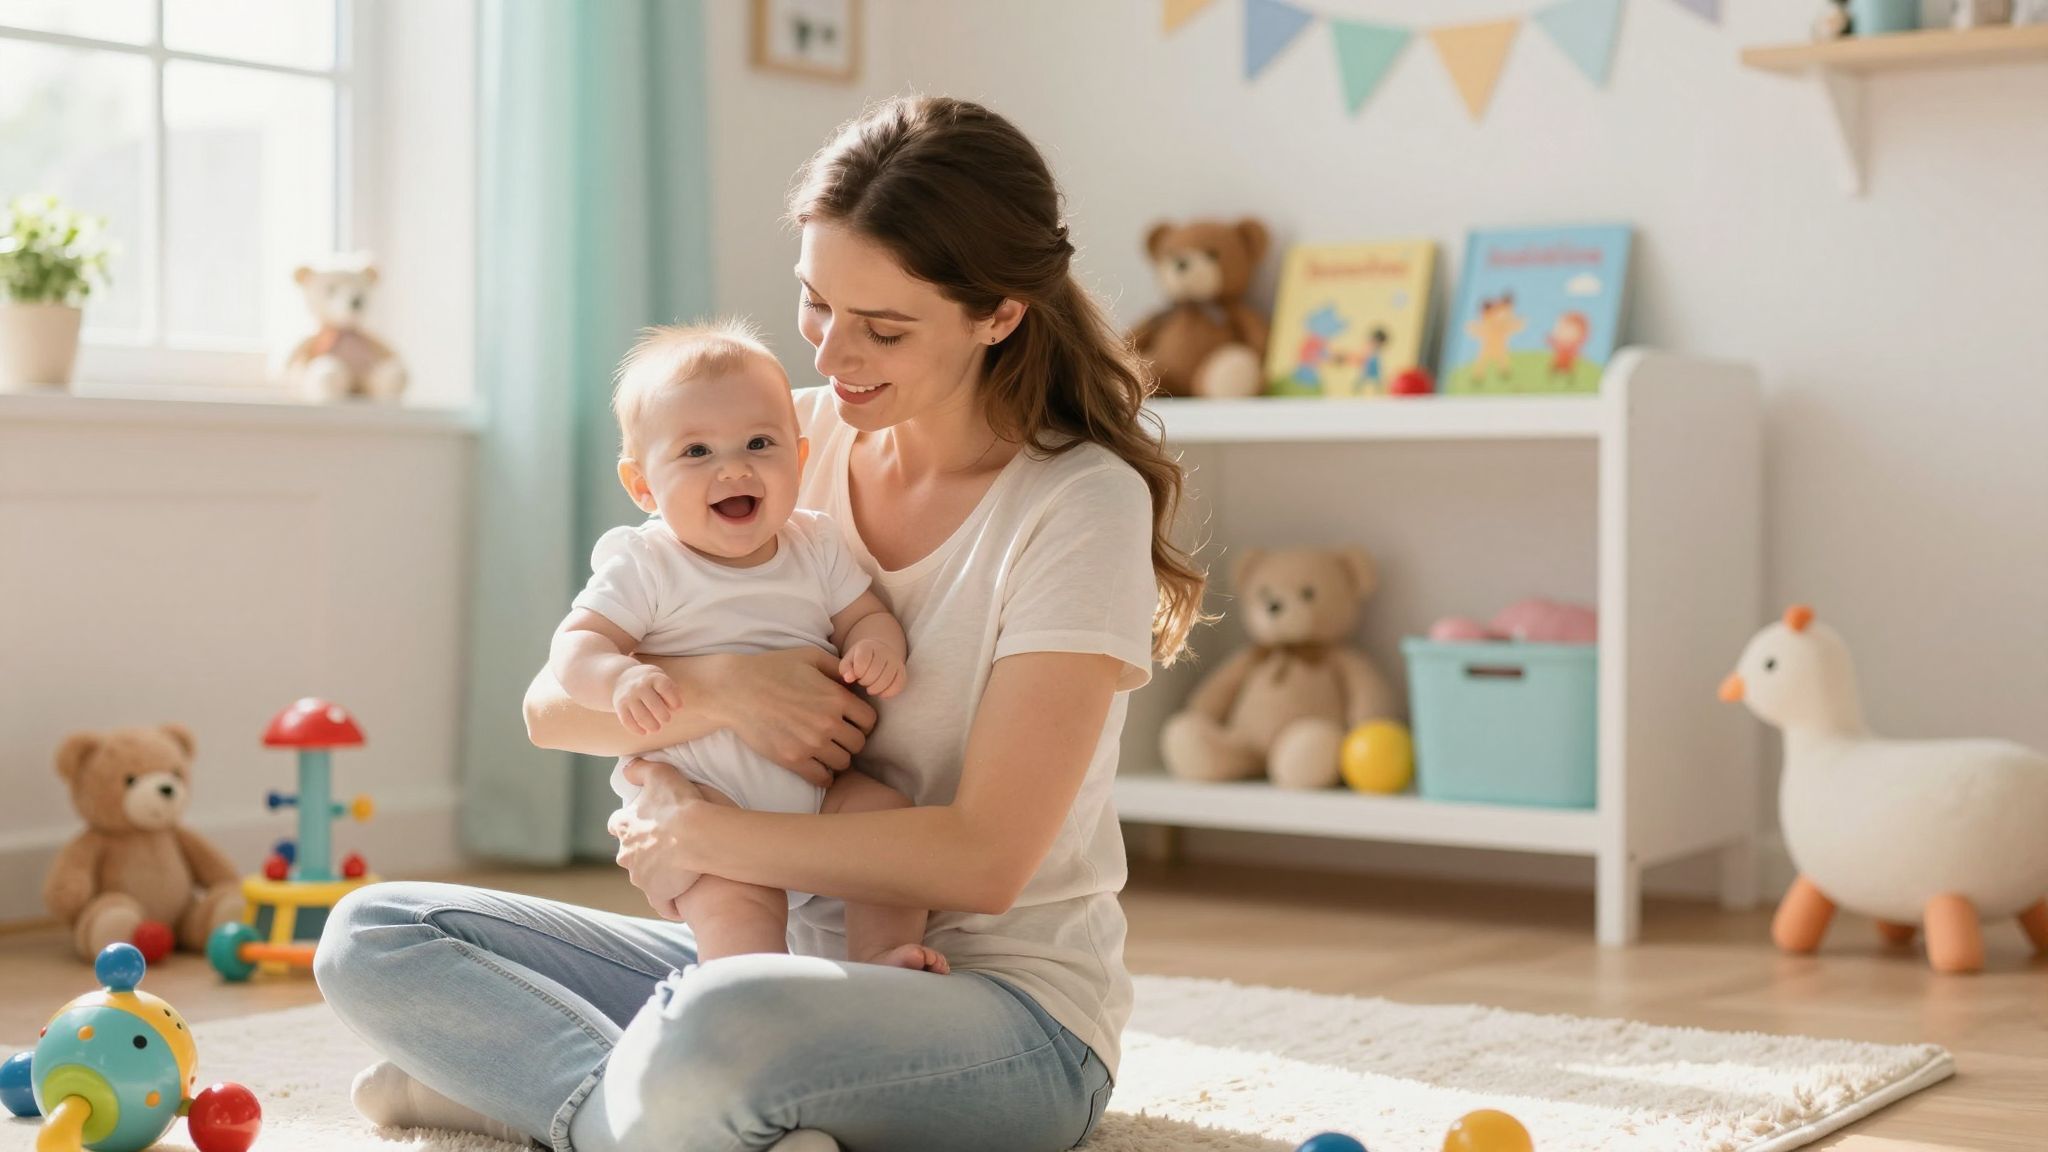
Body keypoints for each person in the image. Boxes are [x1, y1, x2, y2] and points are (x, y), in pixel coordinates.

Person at [314, 94, 1206, 1152]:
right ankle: (646, 1113)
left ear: (998, 314)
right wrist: (720, 693)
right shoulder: (773, 435)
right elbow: (554, 709)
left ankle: (549, 1102)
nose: (833, 354)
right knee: (376, 933)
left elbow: (984, 862)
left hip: (998, 1013)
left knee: (715, 1024)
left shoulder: (1075, 503)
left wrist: (703, 835)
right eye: (815, 304)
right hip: (761, 957)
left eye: (882, 327)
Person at [547, 320, 940, 972]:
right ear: (643, 485)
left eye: (759, 443)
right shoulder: (646, 562)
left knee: (885, 815)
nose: (733, 467)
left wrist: (878, 646)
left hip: (819, 796)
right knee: (738, 909)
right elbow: (575, 648)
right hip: (702, 802)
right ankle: (745, 991)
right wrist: (619, 679)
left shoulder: (813, 544)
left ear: (799, 459)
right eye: (696, 452)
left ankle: (882, 961)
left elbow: (864, 614)